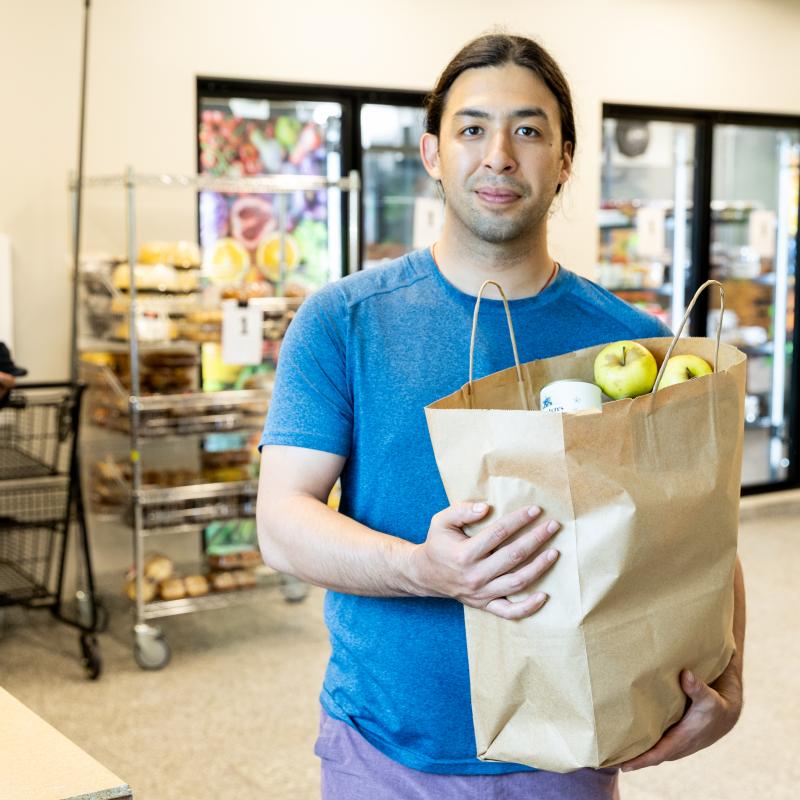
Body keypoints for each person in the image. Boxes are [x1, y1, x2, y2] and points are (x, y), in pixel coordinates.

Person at [257, 33, 745, 800]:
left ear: (566, 159)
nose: (500, 156)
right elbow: (281, 521)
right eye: (472, 129)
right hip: (385, 753)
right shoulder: (344, 321)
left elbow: (696, 526)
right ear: (431, 152)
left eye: (528, 129)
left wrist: (732, 679)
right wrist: (420, 568)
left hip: (569, 755)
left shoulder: (634, 343)